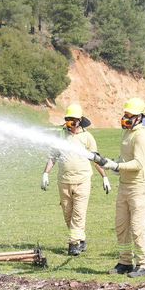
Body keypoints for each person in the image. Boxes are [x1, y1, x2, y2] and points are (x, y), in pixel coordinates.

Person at [91, 97, 145, 278]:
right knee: (121, 226)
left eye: (130, 115)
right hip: (125, 186)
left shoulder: (141, 135)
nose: (126, 118)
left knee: (138, 228)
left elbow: (138, 164)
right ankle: (125, 262)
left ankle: (143, 265)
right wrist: (111, 163)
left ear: (139, 117)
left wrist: (116, 166)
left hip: (139, 188)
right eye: (125, 114)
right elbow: (124, 158)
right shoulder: (127, 133)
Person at [42, 104, 110, 256]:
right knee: (68, 214)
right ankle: (81, 238)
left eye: (73, 120)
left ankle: (73, 244)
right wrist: (45, 173)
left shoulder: (87, 137)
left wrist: (104, 177)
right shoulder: (60, 136)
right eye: (67, 119)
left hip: (82, 181)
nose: (69, 123)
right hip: (64, 181)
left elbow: (96, 159)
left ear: (79, 121)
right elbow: (53, 157)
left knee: (78, 214)